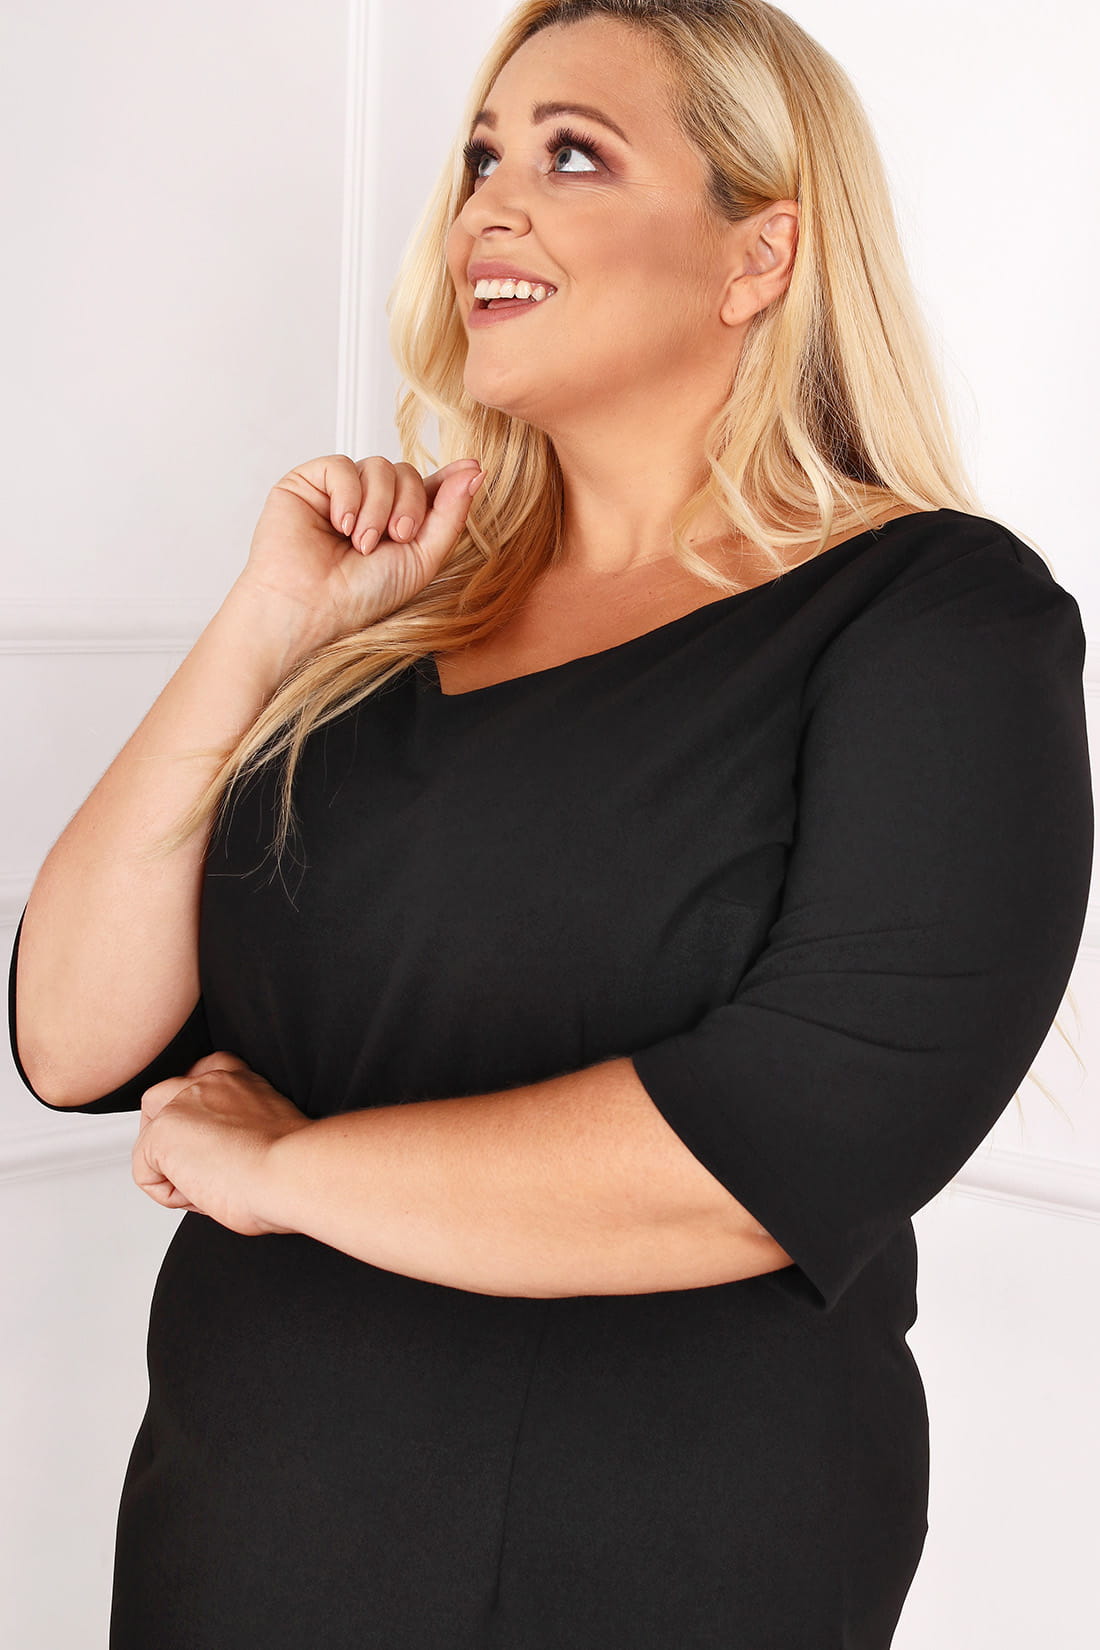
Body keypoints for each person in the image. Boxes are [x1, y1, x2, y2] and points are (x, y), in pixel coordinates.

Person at [7, 2, 1092, 1646]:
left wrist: (286, 1169)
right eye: (479, 159)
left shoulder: (936, 619)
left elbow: (777, 1154)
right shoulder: (384, 623)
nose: (488, 208)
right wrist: (265, 625)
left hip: (652, 1558)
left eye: (571, 155)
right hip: (236, 1535)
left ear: (759, 253)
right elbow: (71, 1035)